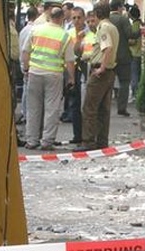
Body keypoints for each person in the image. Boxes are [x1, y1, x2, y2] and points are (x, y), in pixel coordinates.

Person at [22, 7, 75, 151]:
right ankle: (47, 141)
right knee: (52, 108)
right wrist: (71, 78)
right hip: (54, 75)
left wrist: (26, 68)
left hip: (35, 73)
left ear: (49, 16)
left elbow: (25, 51)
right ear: (61, 18)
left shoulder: (36, 30)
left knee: (33, 107)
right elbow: (70, 61)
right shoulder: (64, 36)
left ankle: (32, 140)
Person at [74, 2, 119, 153]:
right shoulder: (113, 27)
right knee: (103, 109)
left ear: (98, 14)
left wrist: (101, 67)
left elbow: (107, 47)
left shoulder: (103, 28)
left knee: (90, 107)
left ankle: (88, 141)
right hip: (110, 71)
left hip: (101, 71)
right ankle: (102, 140)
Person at [109, 0, 140, 117]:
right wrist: (140, 31)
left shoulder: (106, 19)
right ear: (119, 7)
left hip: (109, 55)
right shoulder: (123, 19)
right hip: (123, 56)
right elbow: (130, 34)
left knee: (107, 82)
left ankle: (105, 105)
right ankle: (121, 108)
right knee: (124, 82)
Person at [67, 6, 87, 144]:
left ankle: (86, 135)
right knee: (74, 104)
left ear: (84, 18)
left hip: (85, 70)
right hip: (71, 70)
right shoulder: (68, 33)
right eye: (74, 18)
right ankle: (77, 135)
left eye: (79, 17)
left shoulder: (90, 33)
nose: (76, 20)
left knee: (85, 105)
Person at [18, 6, 39, 124]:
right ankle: (27, 114)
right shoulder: (34, 30)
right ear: (36, 16)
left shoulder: (23, 30)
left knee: (26, 89)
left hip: (23, 62)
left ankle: (24, 112)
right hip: (31, 63)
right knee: (29, 91)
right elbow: (29, 50)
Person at [128, 5, 142, 101]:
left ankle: (134, 95)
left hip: (134, 53)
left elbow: (133, 41)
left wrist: (125, 41)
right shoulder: (140, 24)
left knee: (134, 75)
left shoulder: (134, 26)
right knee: (137, 75)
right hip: (139, 53)